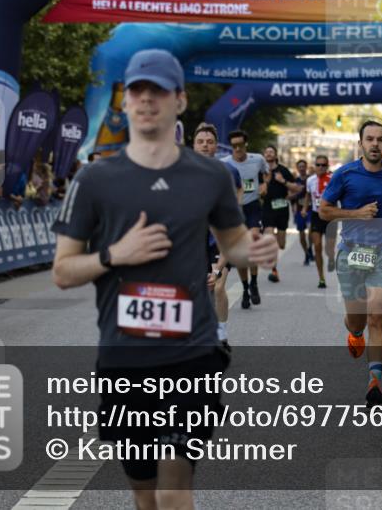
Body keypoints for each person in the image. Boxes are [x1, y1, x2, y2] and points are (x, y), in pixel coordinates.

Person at [52, 49, 277, 510]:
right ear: (126, 101)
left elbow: (232, 242)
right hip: (124, 358)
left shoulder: (211, 175)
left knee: (175, 491)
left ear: (180, 100)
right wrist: (117, 254)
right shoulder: (95, 179)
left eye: (159, 90)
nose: (147, 99)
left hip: (190, 355)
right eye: (138, 90)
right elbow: (63, 270)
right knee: (145, 493)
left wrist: (250, 249)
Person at [319, 121, 382, 406]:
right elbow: (324, 211)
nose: (375, 144)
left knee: (378, 316)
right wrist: (356, 213)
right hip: (351, 253)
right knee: (357, 319)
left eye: (380, 140)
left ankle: (374, 379)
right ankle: (354, 332)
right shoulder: (345, 174)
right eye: (369, 139)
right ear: (360, 143)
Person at [193, 123, 243, 351]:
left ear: (216, 146)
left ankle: (221, 334)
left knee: (218, 286)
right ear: (193, 145)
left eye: (210, 142)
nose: (205, 145)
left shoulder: (227, 172)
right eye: (201, 141)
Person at [222, 130, 269, 309]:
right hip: (236, 211)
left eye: (240, 145)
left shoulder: (257, 159)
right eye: (234, 146)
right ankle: (245, 288)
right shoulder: (224, 164)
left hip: (253, 208)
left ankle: (254, 282)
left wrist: (264, 184)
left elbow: (266, 174)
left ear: (245, 144)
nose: (238, 148)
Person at [261, 145, 302, 284]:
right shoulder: (261, 171)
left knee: (282, 244)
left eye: (271, 152)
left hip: (282, 209)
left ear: (276, 155)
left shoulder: (283, 170)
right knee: (269, 235)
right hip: (267, 208)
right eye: (266, 152)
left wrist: (282, 181)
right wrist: (264, 184)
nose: (268, 154)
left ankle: (273, 255)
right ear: (264, 155)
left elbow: (297, 188)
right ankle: (274, 269)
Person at [302, 154, 337, 288]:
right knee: (317, 246)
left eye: (323, 165)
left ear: (327, 166)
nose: (321, 167)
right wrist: (305, 208)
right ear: (314, 166)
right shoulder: (310, 180)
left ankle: (331, 257)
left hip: (331, 216)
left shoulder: (333, 179)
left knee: (329, 248)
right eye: (318, 165)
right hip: (317, 215)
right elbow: (307, 195)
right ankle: (321, 278)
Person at [290, 159, 313, 266]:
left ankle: (310, 247)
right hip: (299, 210)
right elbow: (290, 196)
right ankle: (307, 253)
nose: (302, 168)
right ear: (297, 168)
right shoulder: (295, 181)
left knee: (311, 230)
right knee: (302, 234)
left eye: (303, 166)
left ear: (306, 167)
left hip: (310, 209)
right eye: (300, 166)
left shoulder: (311, 179)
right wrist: (297, 193)